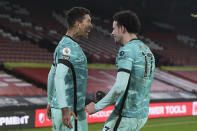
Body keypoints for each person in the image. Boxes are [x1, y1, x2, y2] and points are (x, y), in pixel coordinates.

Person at [86, 10, 155, 131]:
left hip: (125, 116)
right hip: (141, 114)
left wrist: (96, 107)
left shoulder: (127, 50)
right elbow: (135, 86)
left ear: (122, 28)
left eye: (114, 29)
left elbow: (119, 87)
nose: (112, 33)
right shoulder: (147, 50)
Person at [46, 7, 93, 131]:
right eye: (88, 21)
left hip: (60, 109)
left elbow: (52, 74)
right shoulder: (69, 47)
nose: (91, 26)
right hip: (70, 112)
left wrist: (51, 101)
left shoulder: (62, 44)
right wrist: (64, 107)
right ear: (78, 24)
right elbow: (59, 77)